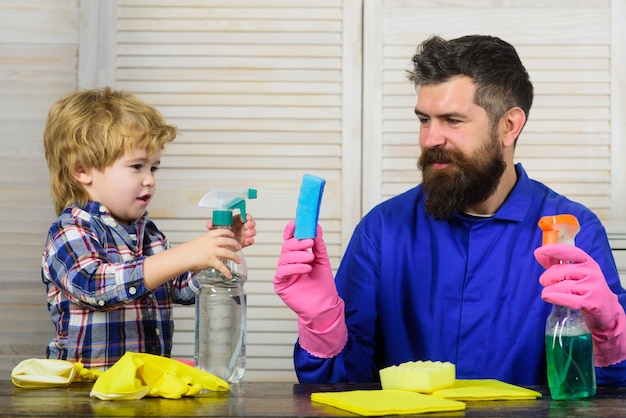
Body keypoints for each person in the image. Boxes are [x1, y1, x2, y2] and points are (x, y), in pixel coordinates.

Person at [273, 34, 626, 386]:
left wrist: (610, 333)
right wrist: (321, 324)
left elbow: (603, 395)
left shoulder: (572, 231)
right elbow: (343, 386)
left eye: (452, 121)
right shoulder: (382, 229)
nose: (430, 139)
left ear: (509, 126)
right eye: (424, 119)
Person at [42, 87, 256, 370]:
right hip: (86, 392)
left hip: (143, 387)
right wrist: (183, 255)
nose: (149, 180)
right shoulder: (70, 230)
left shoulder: (149, 233)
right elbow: (95, 287)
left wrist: (217, 254)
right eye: (137, 167)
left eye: (153, 168)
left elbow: (182, 290)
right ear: (83, 170)